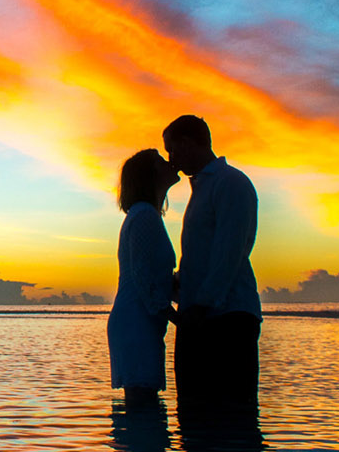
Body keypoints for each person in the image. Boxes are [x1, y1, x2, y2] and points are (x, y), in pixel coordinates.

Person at [163, 115, 261, 407]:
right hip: (200, 316)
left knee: (231, 415)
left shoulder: (230, 183)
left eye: (172, 150)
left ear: (187, 143)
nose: (171, 160)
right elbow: (202, 257)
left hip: (226, 320)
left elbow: (229, 253)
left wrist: (199, 308)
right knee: (195, 417)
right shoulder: (204, 188)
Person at [107, 148, 179, 408]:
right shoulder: (144, 215)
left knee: (142, 409)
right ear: (150, 175)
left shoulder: (144, 215)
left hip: (139, 321)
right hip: (136, 323)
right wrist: (179, 318)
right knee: (142, 409)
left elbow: (152, 275)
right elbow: (143, 276)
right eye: (161, 161)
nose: (169, 162)